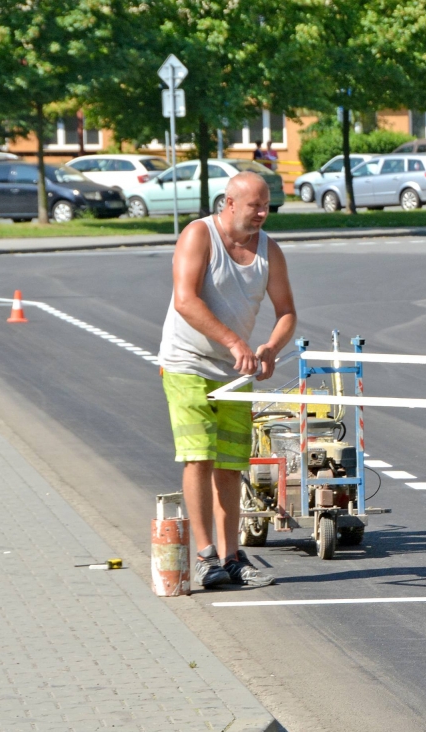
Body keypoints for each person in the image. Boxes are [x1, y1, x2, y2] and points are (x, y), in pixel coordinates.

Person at [158, 171, 297, 589]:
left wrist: (269, 347)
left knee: (232, 465)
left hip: (237, 370)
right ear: (230, 203)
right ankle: (205, 557)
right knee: (199, 456)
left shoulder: (269, 251)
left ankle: (232, 556)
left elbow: (287, 311)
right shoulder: (199, 235)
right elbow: (185, 300)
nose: (262, 213)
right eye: (255, 205)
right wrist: (236, 341)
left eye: (266, 205)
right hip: (187, 363)